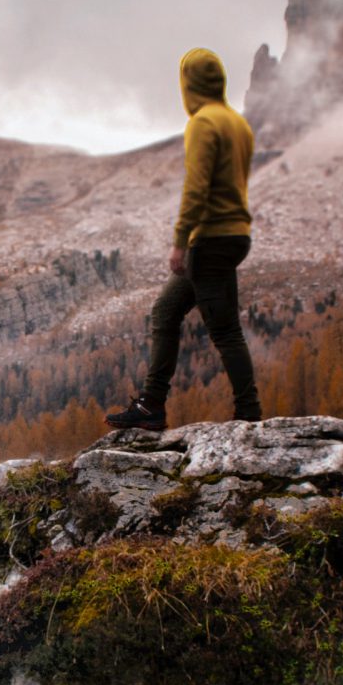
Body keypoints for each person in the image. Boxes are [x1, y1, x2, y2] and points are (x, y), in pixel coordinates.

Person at [108, 47, 262, 431]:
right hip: (235, 235)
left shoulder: (203, 123)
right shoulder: (238, 124)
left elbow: (197, 188)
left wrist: (180, 241)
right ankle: (152, 405)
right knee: (166, 310)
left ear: (188, 84)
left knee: (225, 330)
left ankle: (248, 414)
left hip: (208, 239)